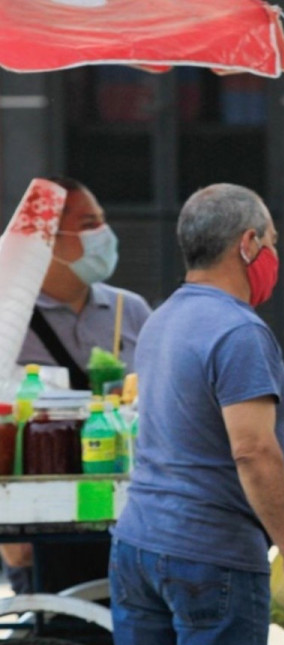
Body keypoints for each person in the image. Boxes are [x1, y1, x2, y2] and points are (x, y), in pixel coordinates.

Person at [109, 183, 284, 645]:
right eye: (272, 241)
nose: (275, 254)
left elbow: (231, 409)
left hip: (138, 547)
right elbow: (252, 448)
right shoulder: (239, 330)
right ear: (248, 244)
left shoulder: (164, 319)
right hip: (211, 558)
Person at [0, 176, 151, 600]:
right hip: (43, 521)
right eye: (88, 224)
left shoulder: (129, 310)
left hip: (129, 513)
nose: (103, 234)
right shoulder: (9, 318)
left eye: (102, 221)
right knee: (58, 628)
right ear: (48, 239)